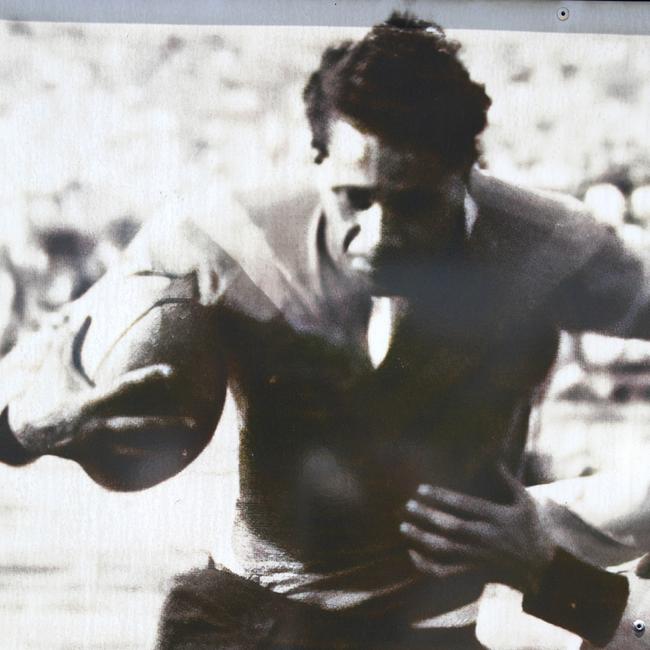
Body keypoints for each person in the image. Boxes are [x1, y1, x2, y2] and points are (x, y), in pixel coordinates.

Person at [1, 13, 649, 649]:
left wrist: (554, 565)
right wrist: (24, 430)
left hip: (433, 633)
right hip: (251, 618)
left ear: (468, 172)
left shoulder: (554, 250)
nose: (380, 237)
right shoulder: (217, 243)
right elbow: (19, 396)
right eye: (355, 198)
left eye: (415, 202)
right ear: (316, 164)